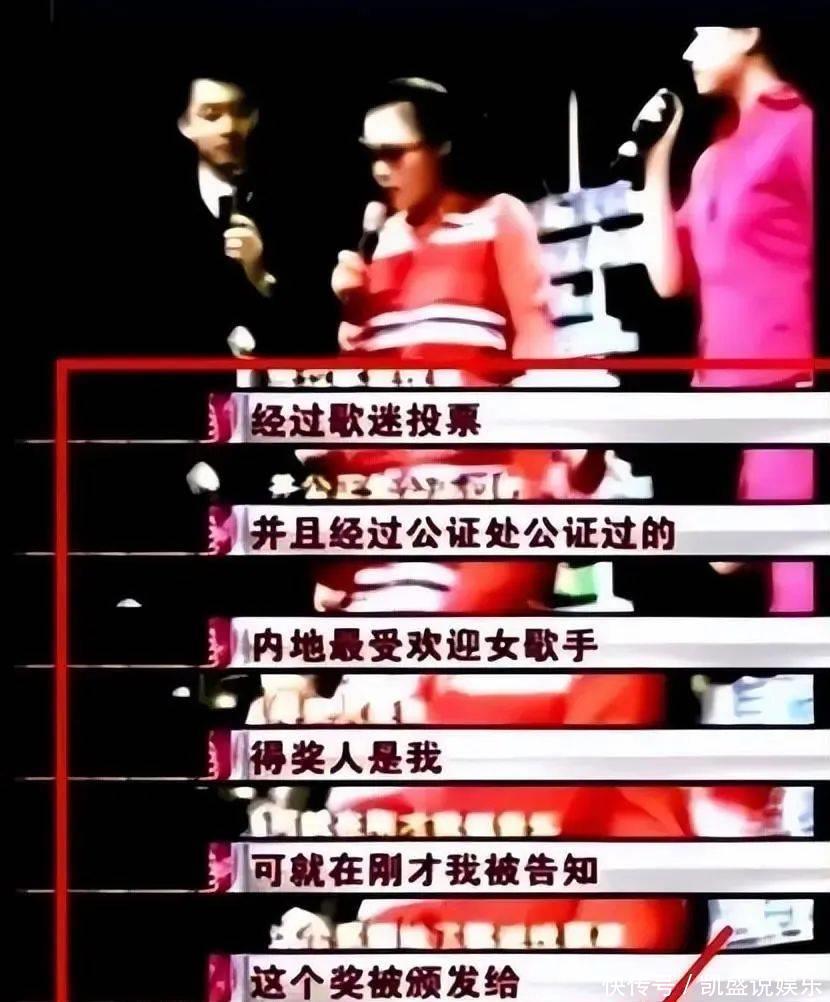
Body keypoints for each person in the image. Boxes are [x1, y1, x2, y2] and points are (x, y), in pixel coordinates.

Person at [637, 26, 815, 612]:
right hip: (724, 409)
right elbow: (668, 277)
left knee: (800, 593)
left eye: (702, 33)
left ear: (748, 34)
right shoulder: (715, 157)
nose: (688, 51)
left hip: (790, 396)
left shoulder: (800, 129)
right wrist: (655, 162)